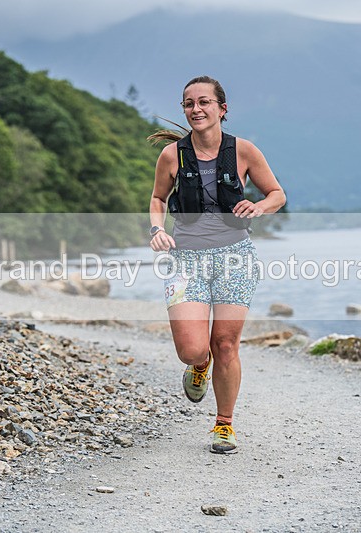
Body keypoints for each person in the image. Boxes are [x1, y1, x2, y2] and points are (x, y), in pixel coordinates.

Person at [148, 75, 286, 453]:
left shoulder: (243, 151)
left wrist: (258, 206)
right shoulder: (171, 156)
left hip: (235, 257)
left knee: (226, 344)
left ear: (222, 109)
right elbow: (159, 199)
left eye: (204, 102)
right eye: (189, 103)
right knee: (193, 348)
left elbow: (277, 194)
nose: (196, 109)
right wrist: (156, 230)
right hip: (186, 259)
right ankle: (198, 366)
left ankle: (224, 424)